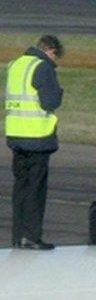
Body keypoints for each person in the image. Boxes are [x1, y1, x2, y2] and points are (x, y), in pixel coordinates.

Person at [5, 35, 65, 250]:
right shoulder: (42, 67)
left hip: (15, 135)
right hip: (37, 137)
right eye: (55, 56)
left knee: (20, 188)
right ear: (49, 50)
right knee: (35, 189)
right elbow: (50, 101)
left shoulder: (16, 65)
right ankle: (31, 236)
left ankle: (18, 235)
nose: (55, 60)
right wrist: (59, 92)